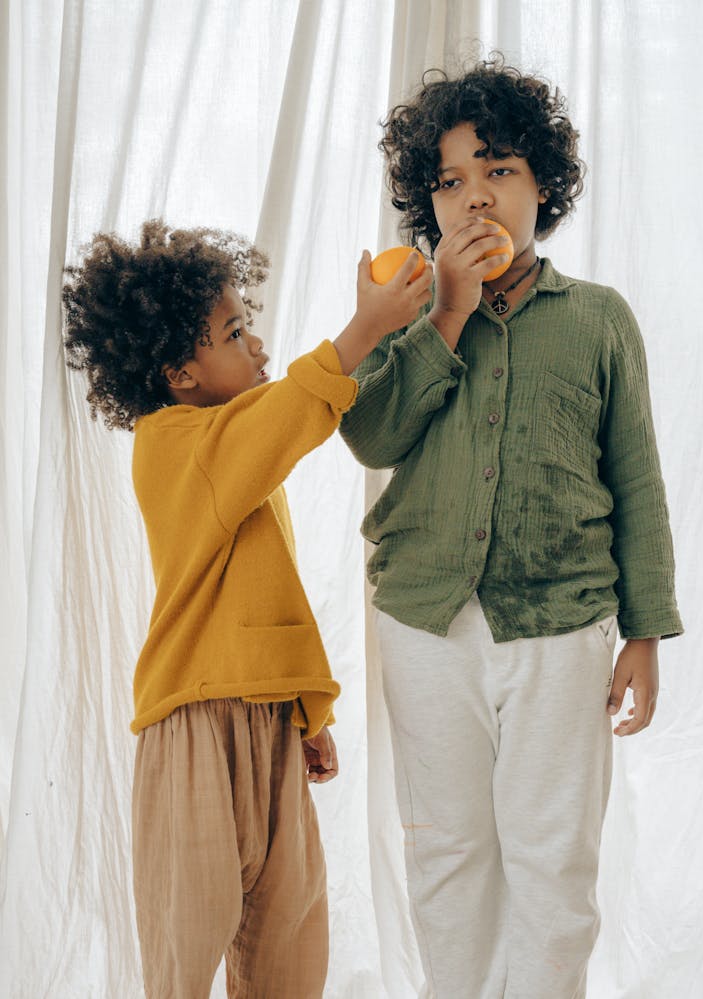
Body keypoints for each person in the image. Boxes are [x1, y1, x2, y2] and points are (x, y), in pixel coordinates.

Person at [340, 56, 683, 999]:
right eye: (449, 180)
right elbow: (369, 434)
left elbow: (638, 481)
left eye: (498, 169)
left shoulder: (600, 321)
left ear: (545, 187)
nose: (474, 198)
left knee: (554, 861)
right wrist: (442, 313)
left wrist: (644, 632)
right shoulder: (402, 312)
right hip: (424, 621)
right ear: (427, 202)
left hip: (563, 626)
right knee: (447, 852)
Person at [62, 219, 432, 999]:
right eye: (234, 333)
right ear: (177, 372)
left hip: (267, 723)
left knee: (289, 940)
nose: (257, 346)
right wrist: (366, 327)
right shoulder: (174, 444)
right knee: (185, 945)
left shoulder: (238, 457)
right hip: (193, 723)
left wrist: (308, 709)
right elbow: (290, 415)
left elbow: (268, 595)